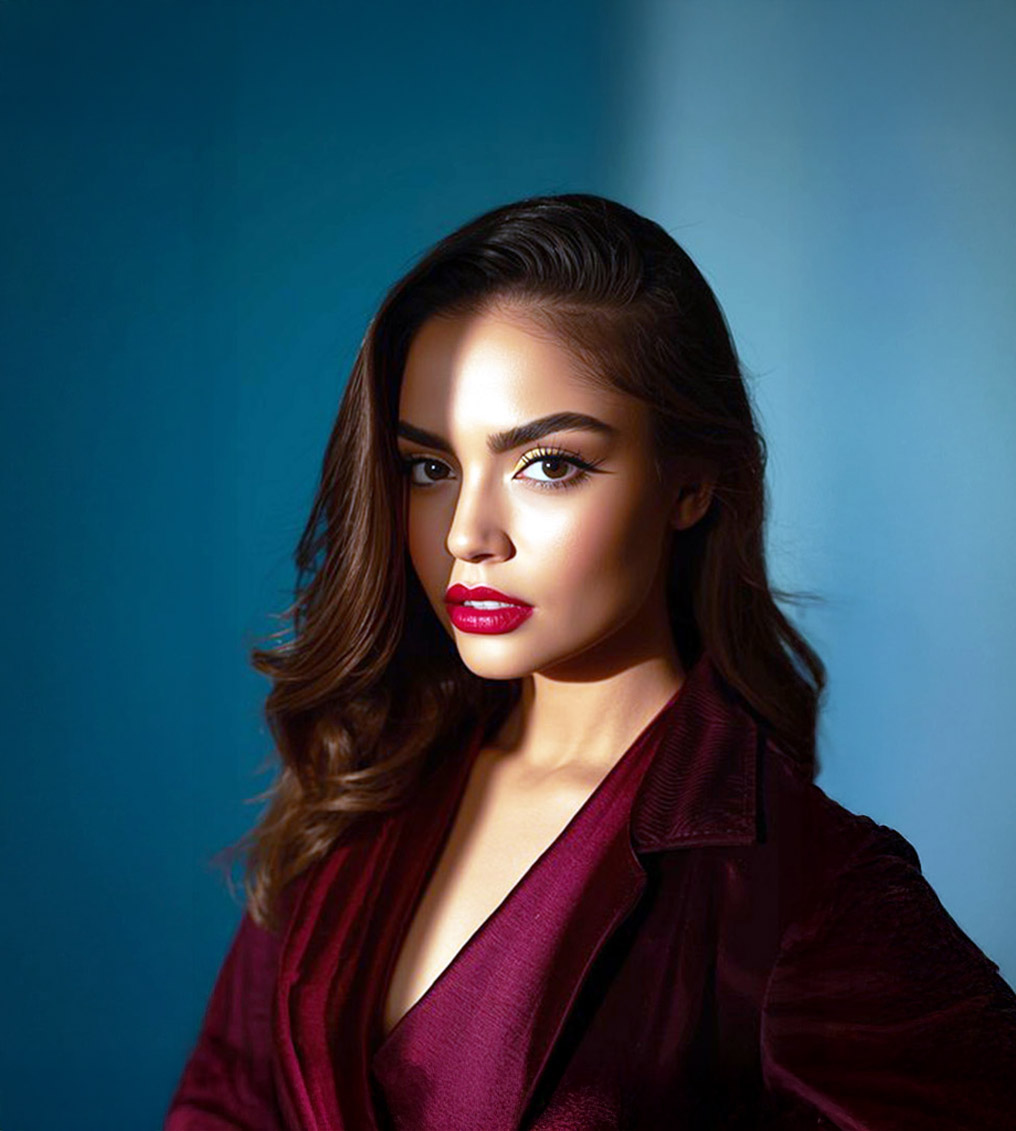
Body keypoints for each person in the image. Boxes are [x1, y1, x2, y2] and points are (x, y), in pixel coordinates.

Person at [165, 193, 1016, 1130]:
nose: (467, 535)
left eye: (549, 464)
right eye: (430, 467)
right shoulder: (363, 781)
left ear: (691, 484)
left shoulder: (803, 890)